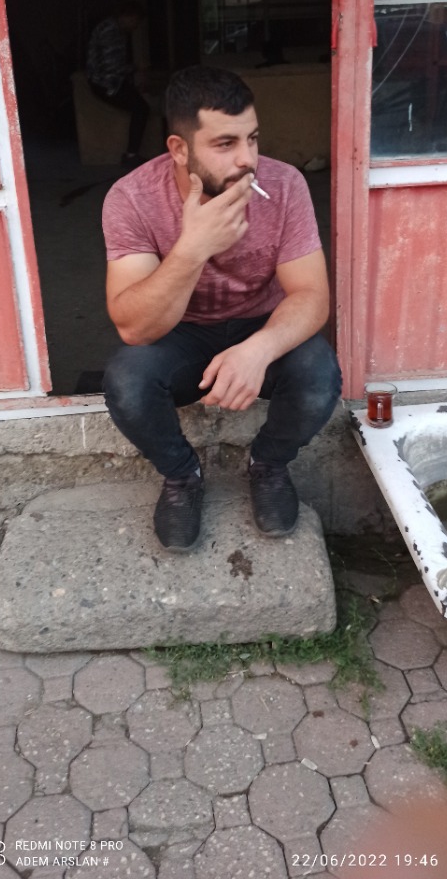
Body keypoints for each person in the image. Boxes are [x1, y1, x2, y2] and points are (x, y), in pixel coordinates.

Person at [102, 65, 341, 552]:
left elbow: (312, 296)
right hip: (180, 334)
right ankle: (182, 475)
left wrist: (258, 350)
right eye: (225, 143)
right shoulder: (132, 198)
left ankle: (268, 464)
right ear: (179, 149)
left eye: (252, 138)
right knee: (127, 381)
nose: (247, 159)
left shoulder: (285, 185)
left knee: (320, 374)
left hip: (262, 324)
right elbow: (133, 327)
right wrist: (193, 248)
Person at [86, 0, 149, 163]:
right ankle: (131, 154)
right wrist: (136, 68)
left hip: (110, 81)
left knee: (141, 102)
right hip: (105, 84)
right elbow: (112, 67)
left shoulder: (116, 30)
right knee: (141, 108)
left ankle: (132, 154)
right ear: (128, 16)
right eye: (136, 21)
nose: (136, 26)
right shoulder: (110, 31)